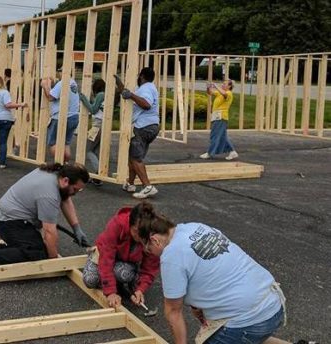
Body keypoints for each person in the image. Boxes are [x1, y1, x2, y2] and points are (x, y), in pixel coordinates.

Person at [139, 216, 286, 344]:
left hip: (249, 320)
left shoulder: (171, 255)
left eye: (149, 250)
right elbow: (208, 269)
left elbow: (173, 311)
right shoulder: (195, 227)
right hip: (274, 305)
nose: (152, 255)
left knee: (243, 333)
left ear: (155, 240)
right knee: (250, 335)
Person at [0, 162, 90, 267]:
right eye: (75, 189)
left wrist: (76, 228)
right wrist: (52, 261)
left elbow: (66, 198)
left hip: (12, 217)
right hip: (9, 222)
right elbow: (49, 231)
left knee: (39, 248)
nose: (75, 193)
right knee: (37, 253)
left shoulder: (55, 174)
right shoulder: (49, 193)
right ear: (66, 181)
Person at [82, 201, 160, 309]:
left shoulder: (153, 235)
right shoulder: (117, 224)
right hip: (104, 256)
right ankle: (113, 284)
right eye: (136, 231)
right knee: (90, 280)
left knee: (125, 274)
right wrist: (110, 292)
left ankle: (120, 283)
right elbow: (106, 259)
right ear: (130, 224)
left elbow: (150, 268)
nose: (139, 237)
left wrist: (140, 289)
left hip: (126, 263)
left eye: (143, 234)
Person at [116, 67, 159, 199]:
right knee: (133, 157)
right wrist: (120, 84)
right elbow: (128, 94)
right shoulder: (147, 87)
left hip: (145, 127)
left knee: (135, 158)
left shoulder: (146, 88)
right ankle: (130, 183)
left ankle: (148, 186)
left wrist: (132, 96)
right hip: (149, 126)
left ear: (142, 76)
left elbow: (146, 104)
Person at [0, 75, 27, 169]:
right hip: (4, 119)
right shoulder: (5, 92)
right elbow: (8, 105)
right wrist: (21, 105)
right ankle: (2, 163)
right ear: (2, 83)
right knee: (3, 142)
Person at [41, 71, 80, 162]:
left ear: (63, 72)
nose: (58, 73)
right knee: (66, 143)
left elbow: (51, 97)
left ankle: (59, 164)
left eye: (59, 70)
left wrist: (45, 86)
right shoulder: (73, 83)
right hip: (74, 117)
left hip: (61, 117)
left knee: (53, 143)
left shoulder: (62, 83)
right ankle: (65, 164)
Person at [200, 80, 239, 160]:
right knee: (222, 136)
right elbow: (210, 93)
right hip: (217, 116)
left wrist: (215, 86)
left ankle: (209, 153)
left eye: (225, 84)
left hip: (221, 117)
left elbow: (224, 94)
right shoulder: (219, 93)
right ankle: (232, 152)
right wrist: (208, 87)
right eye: (223, 83)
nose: (222, 85)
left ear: (229, 86)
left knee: (214, 135)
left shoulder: (228, 93)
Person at [79, 78, 105, 186]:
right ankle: (97, 177)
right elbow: (95, 107)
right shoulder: (105, 95)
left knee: (89, 151)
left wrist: (84, 99)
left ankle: (99, 173)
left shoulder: (100, 95)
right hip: (102, 125)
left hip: (98, 126)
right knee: (95, 151)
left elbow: (93, 110)